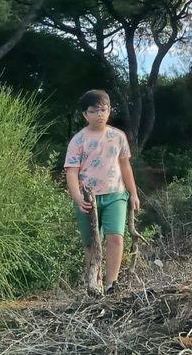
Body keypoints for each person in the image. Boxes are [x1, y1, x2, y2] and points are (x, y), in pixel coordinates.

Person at [64, 90, 142, 296]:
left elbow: (125, 166)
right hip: (88, 198)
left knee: (116, 237)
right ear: (85, 114)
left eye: (103, 109)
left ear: (109, 110)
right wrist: (78, 198)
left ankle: (111, 284)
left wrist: (133, 193)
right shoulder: (78, 140)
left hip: (115, 193)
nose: (100, 114)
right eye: (94, 110)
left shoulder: (118, 136)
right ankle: (94, 284)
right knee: (91, 243)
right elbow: (71, 172)